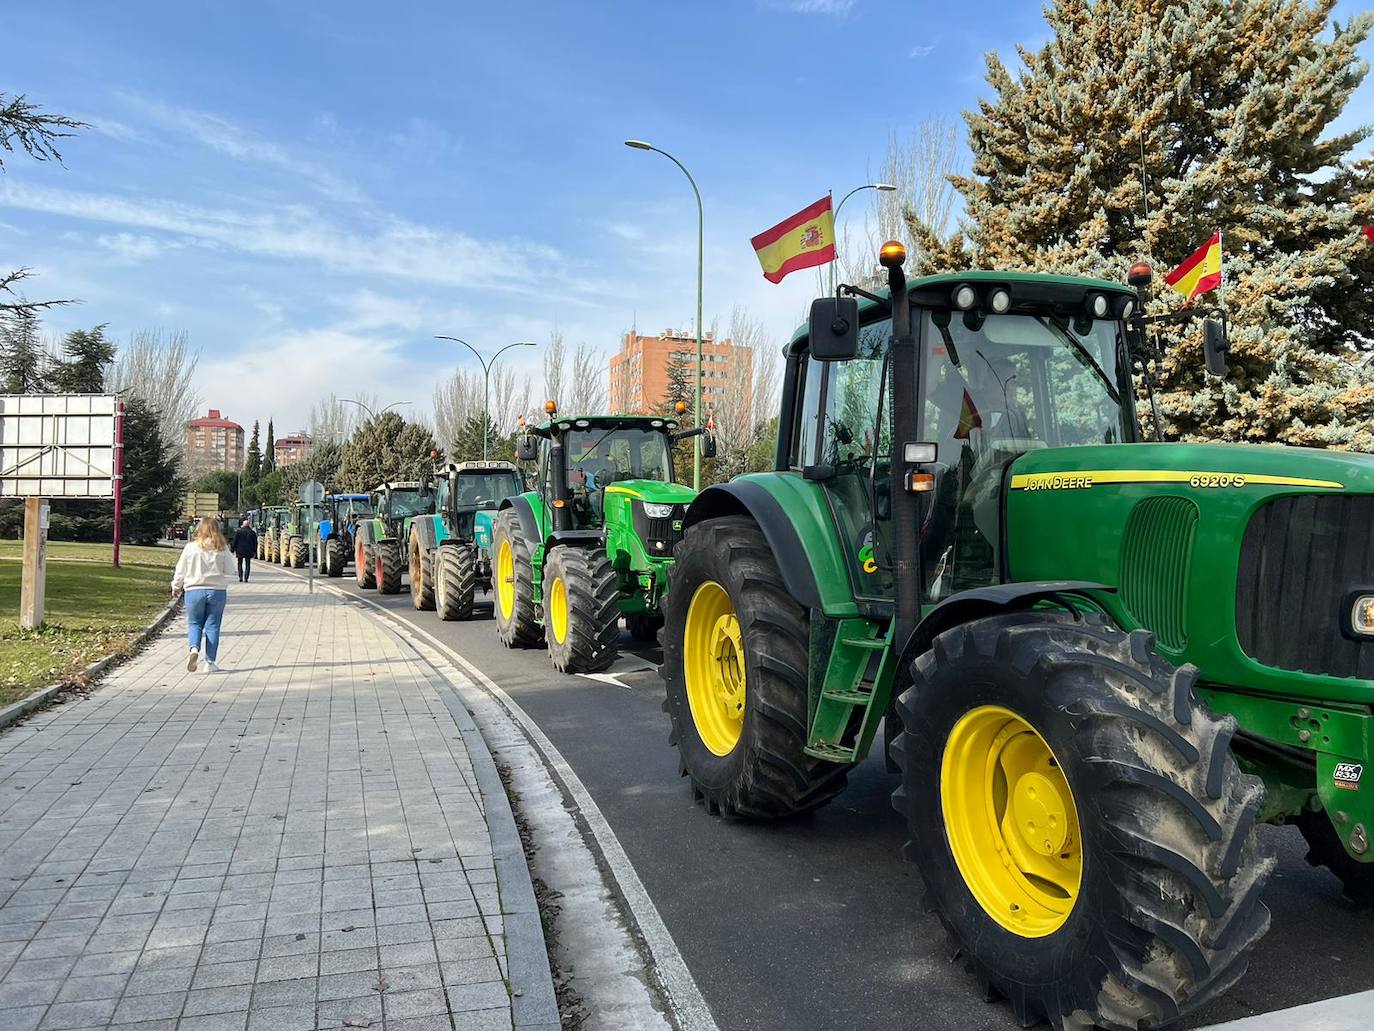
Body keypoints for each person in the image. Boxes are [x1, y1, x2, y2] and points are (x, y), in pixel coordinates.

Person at [172, 516, 233, 673]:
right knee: (213, 626)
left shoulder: (190, 548)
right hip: (217, 591)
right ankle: (209, 662)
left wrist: (176, 586)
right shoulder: (222, 548)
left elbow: (181, 570)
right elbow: (230, 571)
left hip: (194, 590)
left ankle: (193, 649)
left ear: (199, 529)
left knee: (194, 623)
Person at [232, 518, 257, 582]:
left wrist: (232, 549)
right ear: (249, 525)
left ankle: (240, 577)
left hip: (240, 550)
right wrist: (254, 551)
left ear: (243, 525)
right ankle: (246, 578)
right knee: (248, 564)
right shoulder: (252, 532)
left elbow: (235, 541)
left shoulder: (239, 532)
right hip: (249, 551)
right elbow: (255, 543)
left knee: (239, 563)